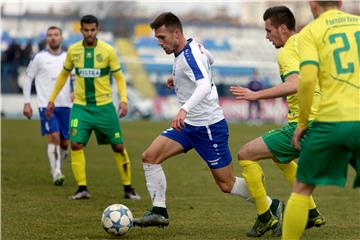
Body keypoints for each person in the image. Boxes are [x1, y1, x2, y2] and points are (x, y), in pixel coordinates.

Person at [132, 12, 282, 231]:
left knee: (226, 184)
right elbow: (209, 60)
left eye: (162, 37)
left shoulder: (189, 56)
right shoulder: (194, 48)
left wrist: (184, 108)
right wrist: (180, 80)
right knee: (150, 157)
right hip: (188, 126)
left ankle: (271, 205)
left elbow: (202, 85)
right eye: (157, 38)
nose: (159, 43)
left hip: (209, 127)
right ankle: (158, 211)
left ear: (176, 33)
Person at [230, 6, 325, 237]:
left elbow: (295, 83)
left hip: (306, 125)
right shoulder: (305, 41)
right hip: (324, 121)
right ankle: (312, 213)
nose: (266, 36)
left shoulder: (286, 52)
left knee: (245, 154)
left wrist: (255, 94)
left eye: (269, 30)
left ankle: (265, 216)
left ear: (283, 28)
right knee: (280, 158)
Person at [282, 1, 360, 239]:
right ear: (341, 2)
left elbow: (306, 82)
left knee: (302, 189)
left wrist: (303, 123)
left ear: (312, 4)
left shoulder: (310, 32)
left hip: (330, 122)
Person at [45, 15, 140, 200]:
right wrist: (52, 99)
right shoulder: (73, 51)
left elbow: (119, 77)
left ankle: (128, 188)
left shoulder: (108, 51)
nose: (89, 33)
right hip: (81, 107)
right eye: (86, 30)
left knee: (118, 147)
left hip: (105, 107)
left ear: (98, 29)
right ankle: (82, 188)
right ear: (81, 30)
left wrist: (123, 100)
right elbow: (63, 76)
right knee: (76, 144)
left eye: (92, 30)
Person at [23, 26, 71, 186]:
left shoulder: (69, 56)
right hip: (46, 106)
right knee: (54, 136)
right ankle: (56, 172)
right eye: (50, 35)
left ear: (61, 37)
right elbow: (28, 78)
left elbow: (75, 77)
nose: (53, 38)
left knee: (65, 143)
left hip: (66, 106)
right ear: (46, 38)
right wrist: (27, 102)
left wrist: (76, 92)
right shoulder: (39, 57)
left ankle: (58, 165)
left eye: (56, 35)